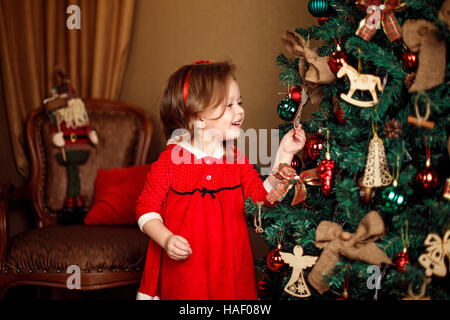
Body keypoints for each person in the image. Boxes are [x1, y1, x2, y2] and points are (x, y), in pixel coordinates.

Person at [136, 61, 306, 300]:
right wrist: (166, 238)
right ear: (198, 119)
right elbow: (146, 210)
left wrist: (285, 154)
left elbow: (263, 197)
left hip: (230, 272)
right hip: (186, 273)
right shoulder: (170, 162)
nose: (240, 110)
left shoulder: (236, 159)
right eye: (228, 105)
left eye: (239, 102)